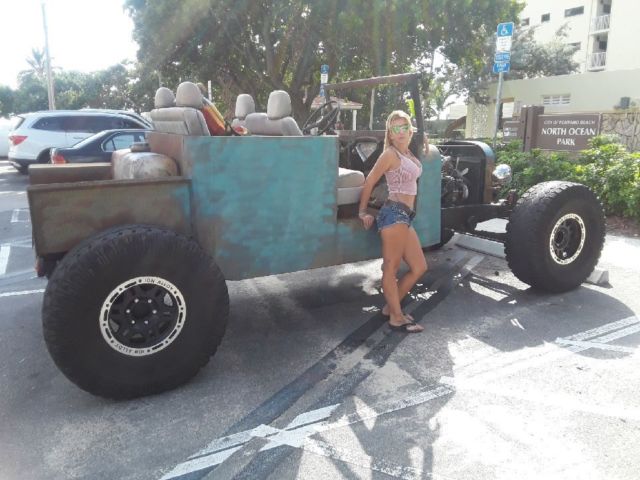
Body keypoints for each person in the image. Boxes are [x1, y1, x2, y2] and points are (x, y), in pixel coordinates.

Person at [358, 110, 428, 333]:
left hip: (405, 216)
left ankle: (391, 307)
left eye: (404, 127)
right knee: (391, 268)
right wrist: (362, 212)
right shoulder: (390, 154)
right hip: (393, 213)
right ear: (389, 133)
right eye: (395, 128)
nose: (400, 132)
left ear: (410, 130)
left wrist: (425, 141)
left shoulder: (408, 153)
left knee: (419, 267)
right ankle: (396, 317)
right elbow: (370, 181)